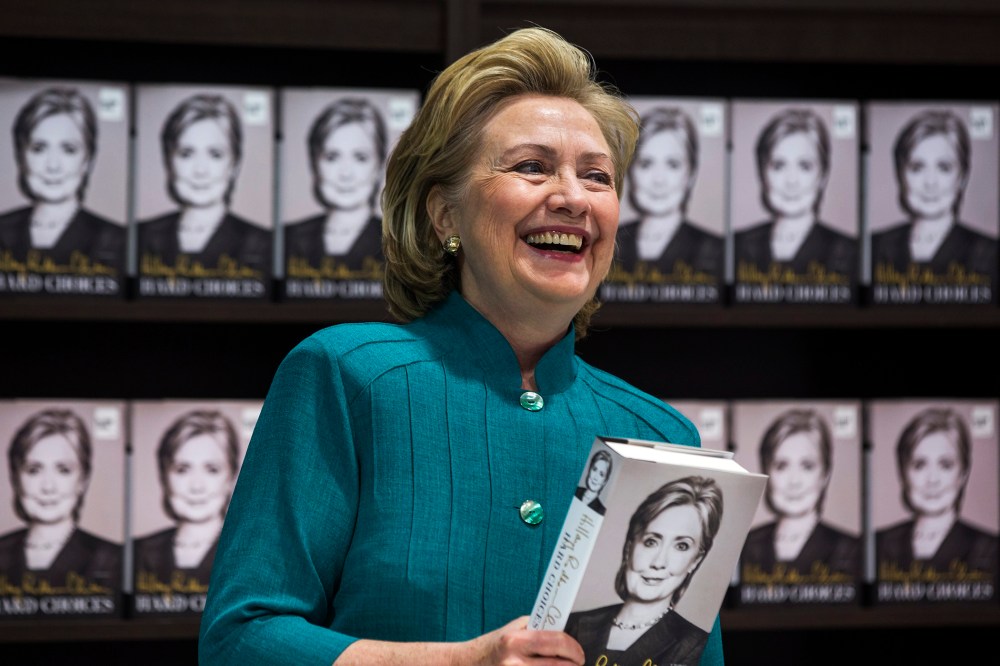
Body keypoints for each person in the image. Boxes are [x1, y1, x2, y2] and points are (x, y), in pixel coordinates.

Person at [199, 26, 724, 666]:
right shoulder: (346, 377)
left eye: (597, 177)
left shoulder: (662, 435)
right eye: (532, 167)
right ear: (444, 215)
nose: (572, 198)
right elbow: (240, 641)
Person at [564, 476, 723, 666]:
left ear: (695, 560)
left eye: (681, 546)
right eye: (651, 542)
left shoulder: (693, 644)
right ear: (630, 546)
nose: (659, 562)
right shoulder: (573, 623)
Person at [136, 93, 271, 279]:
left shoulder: (264, 244)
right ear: (168, 160)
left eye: (215, 154)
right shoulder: (138, 236)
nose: (200, 170)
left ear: (235, 164)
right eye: (186, 154)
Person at [0, 87, 125, 277]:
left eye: (69, 149)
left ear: (88, 160)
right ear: (21, 155)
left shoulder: (117, 239)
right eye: (39, 148)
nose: (53, 165)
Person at [0, 408, 121, 592]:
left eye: (63, 470)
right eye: (34, 470)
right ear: (16, 478)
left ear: (83, 479)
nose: (48, 487)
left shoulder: (113, 558)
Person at [870, 109, 997, 283]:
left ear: (963, 177)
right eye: (917, 167)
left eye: (944, 167)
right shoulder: (873, 247)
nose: (930, 182)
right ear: (901, 174)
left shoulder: (991, 253)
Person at [733, 108, 857, 284]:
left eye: (805, 166)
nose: (791, 181)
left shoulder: (851, 253)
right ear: (762, 173)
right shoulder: (734, 246)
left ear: (823, 175)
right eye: (778, 165)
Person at [740, 409, 859, 580]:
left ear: (825, 474)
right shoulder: (744, 546)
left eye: (807, 466)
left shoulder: (850, 549)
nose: (794, 481)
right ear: (766, 472)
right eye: (781, 466)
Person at [876, 407, 997, 573]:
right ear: (903, 472)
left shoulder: (991, 549)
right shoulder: (875, 545)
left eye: (945, 465)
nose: (932, 480)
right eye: (919, 465)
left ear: (963, 473)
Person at [132, 410, 240, 591]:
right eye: (182, 469)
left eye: (212, 469)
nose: (196, 486)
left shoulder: (250, 553)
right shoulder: (135, 553)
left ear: (231, 477)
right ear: (164, 476)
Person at [613, 106, 722, 279]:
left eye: (673, 165)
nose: (658, 180)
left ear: (691, 174)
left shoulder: (716, 250)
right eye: (646, 164)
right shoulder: (609, 242)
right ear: (631, 170)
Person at [283, 97, 388, 275]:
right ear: (314, 163)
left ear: (379, 166)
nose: (345, 173)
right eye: (332, 157)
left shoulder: (398, 242)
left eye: (360, 158)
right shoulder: (286, 238)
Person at [574, 448, 613, 515]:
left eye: (601, 474)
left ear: (605, 481)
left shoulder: (601, 510)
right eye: (594, 469)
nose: (595, 477)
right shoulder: (574, 491)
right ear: (589, 470)